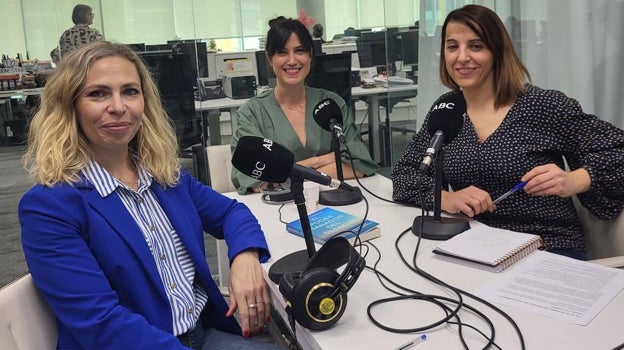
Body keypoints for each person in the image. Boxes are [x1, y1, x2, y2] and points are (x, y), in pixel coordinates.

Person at [19, 41, 283, 349]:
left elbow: (231, 213)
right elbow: (102, 325)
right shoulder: (49, 207)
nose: (119, 107)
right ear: (70, 106)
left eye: (130, 91)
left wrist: (245, 256)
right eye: (98, 93)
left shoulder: (164, 176)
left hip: (202, 334)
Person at [391, 4, 624, 259]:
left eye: (476, 46)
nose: (462, 57)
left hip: (546, 247)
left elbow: (618, 151)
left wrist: (574, 180)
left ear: (498, 53)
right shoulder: (447, 109)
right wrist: (448, 198)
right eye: (452, 46)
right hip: (474, 245)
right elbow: (405, 174)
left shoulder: (544, 106)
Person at [231, 17, 379, 194]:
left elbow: (358, 166)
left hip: (331, 206)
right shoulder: (251, 113)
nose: (292, 60)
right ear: (270, 59)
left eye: (299, 51)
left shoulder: (332, 104)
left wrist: (287, 173)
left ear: (310, 55)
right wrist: (322, 161)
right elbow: (257, 182)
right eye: (282, 52)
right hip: (275, 210)